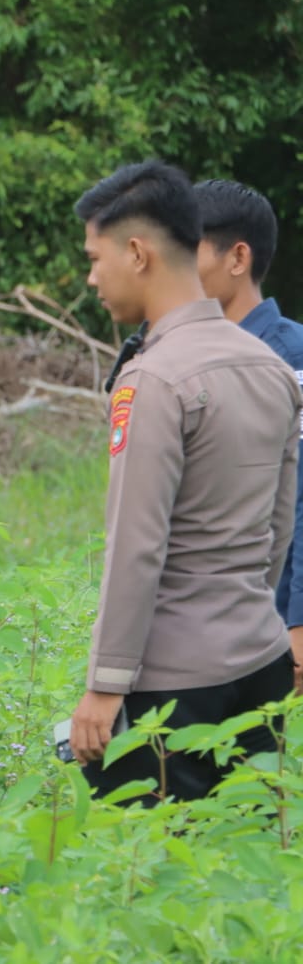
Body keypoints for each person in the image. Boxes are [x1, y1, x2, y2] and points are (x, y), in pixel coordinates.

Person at [69, 161, 300, 803]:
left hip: (172, 689)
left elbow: (136, 547)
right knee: (242, 869)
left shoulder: (154, 379)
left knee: (152, 878)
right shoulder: (272, 367)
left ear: (137, 253)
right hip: (261, 663)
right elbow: (277, 528)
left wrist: (104, 685)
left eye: (96, 258)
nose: (92, 277)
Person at [192, 179, 303, 687]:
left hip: (272, 627)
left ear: (238, 258)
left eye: (186, 250)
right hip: (202, 634)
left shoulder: (293, 359)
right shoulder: (186, 358)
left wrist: (299, 624)